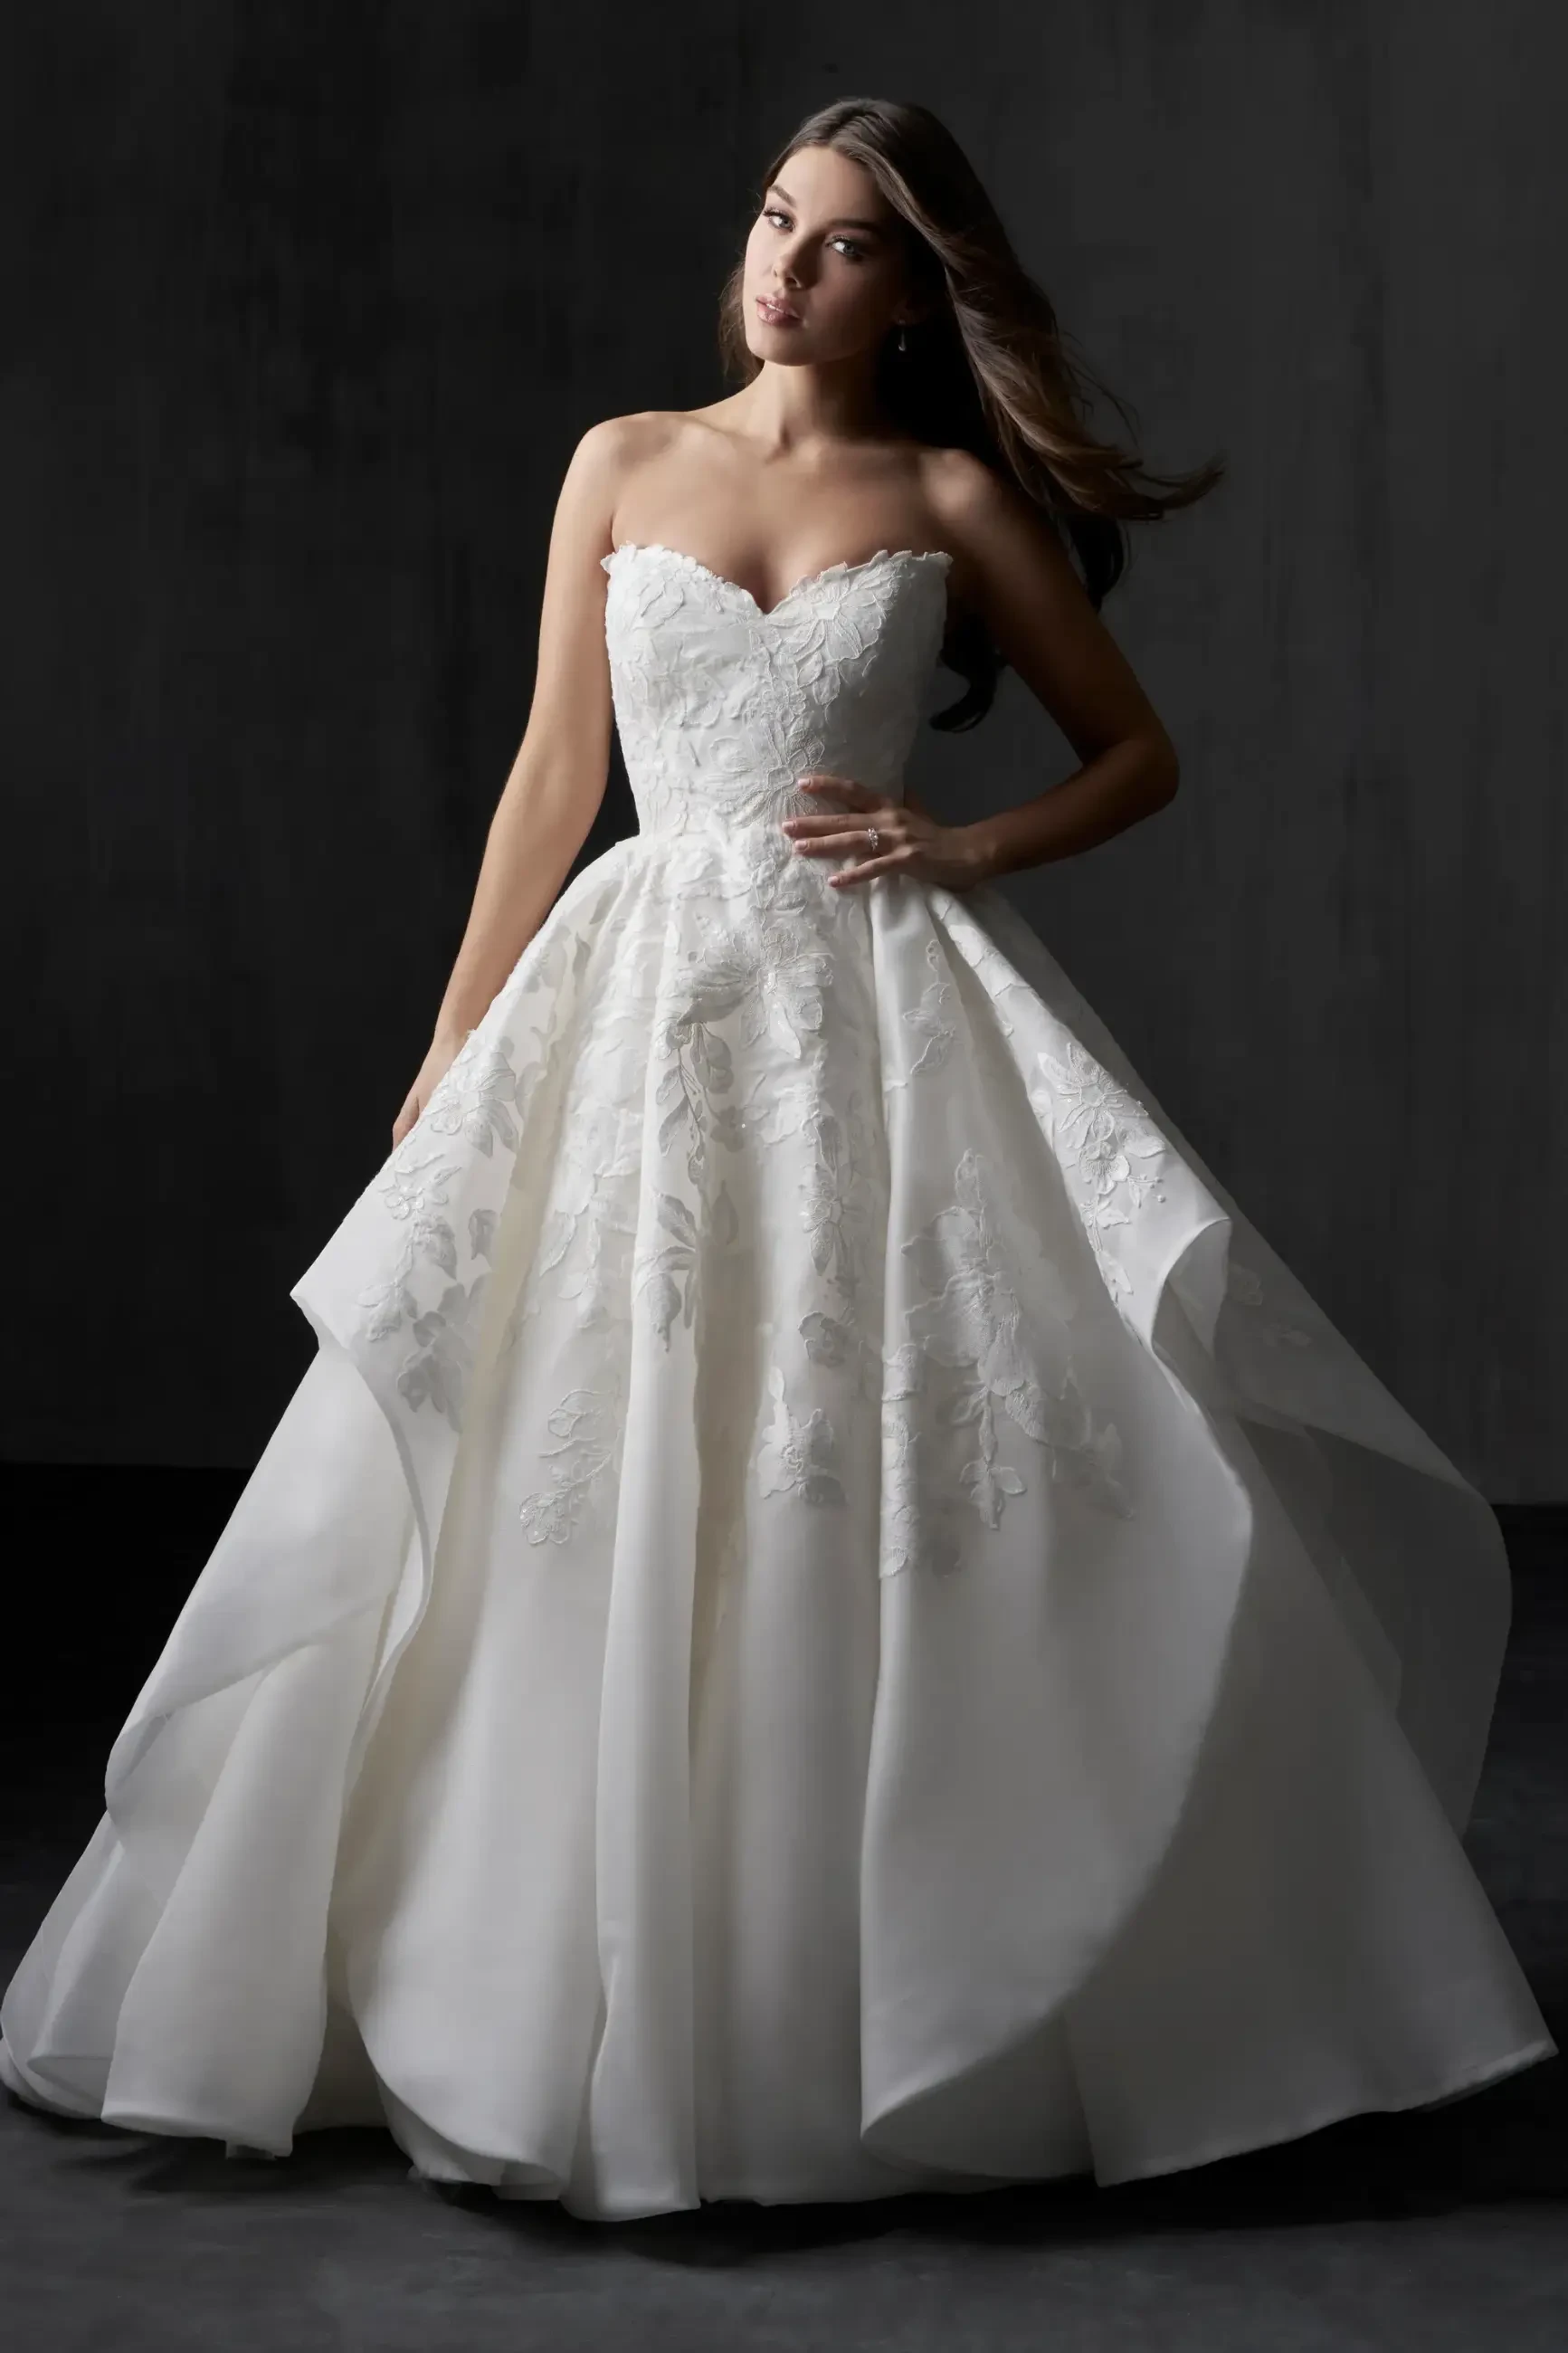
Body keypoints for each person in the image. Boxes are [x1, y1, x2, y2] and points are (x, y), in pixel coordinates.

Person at [1, 96, 1553, 2223]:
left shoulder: (937, 494)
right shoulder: (622, 461)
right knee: (571, 1462)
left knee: (871, 1454)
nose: (781, 266)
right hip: (630, 1003)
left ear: (911, 291)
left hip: (873, 1018)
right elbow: (556, 772)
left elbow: (1139, 753)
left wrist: (958, 842)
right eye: (769, 221)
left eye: (834, 246)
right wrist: (454, 1038)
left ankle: (913, 1986)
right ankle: (522, 1982)